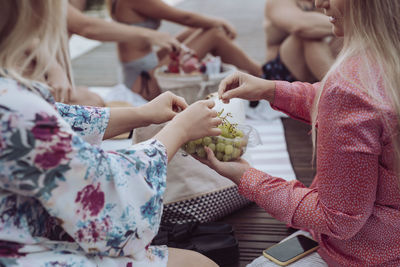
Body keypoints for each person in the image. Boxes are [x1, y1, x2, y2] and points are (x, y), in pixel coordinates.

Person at [0, 0, 222, 266]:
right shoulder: (17, 107)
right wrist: (180, 130)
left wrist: (143, 114)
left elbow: (60, 120)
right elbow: (110, 210)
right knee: (200, 263)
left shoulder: (12, 97)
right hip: (19, 251)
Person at [200, 0, 400, 265]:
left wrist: (247, 178)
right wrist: (271, 90)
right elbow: (363, 110)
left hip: (364, 254)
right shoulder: (383, 69)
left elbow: (339, 219)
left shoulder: (350, 88)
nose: (320, 3)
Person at [107, 0, 263, 100]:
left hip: (140, 70)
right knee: (214, 34)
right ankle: (261, 73)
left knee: (194, 31)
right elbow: (185, 17)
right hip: (142, 85)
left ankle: (255, 72)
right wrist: (220, 22)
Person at [44, 2, 182, 106]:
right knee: (94, 101)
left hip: (59, 86)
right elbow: (86, 27)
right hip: (47, 90)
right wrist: (151, 35)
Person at [263, 0, 342, 83]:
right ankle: (338, 84)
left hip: (318, 69)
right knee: (309, 35)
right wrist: (346, 24)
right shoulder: (278, 2)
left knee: (348, 35)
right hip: (280, 73)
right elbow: (300, 27)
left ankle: (346, 79)